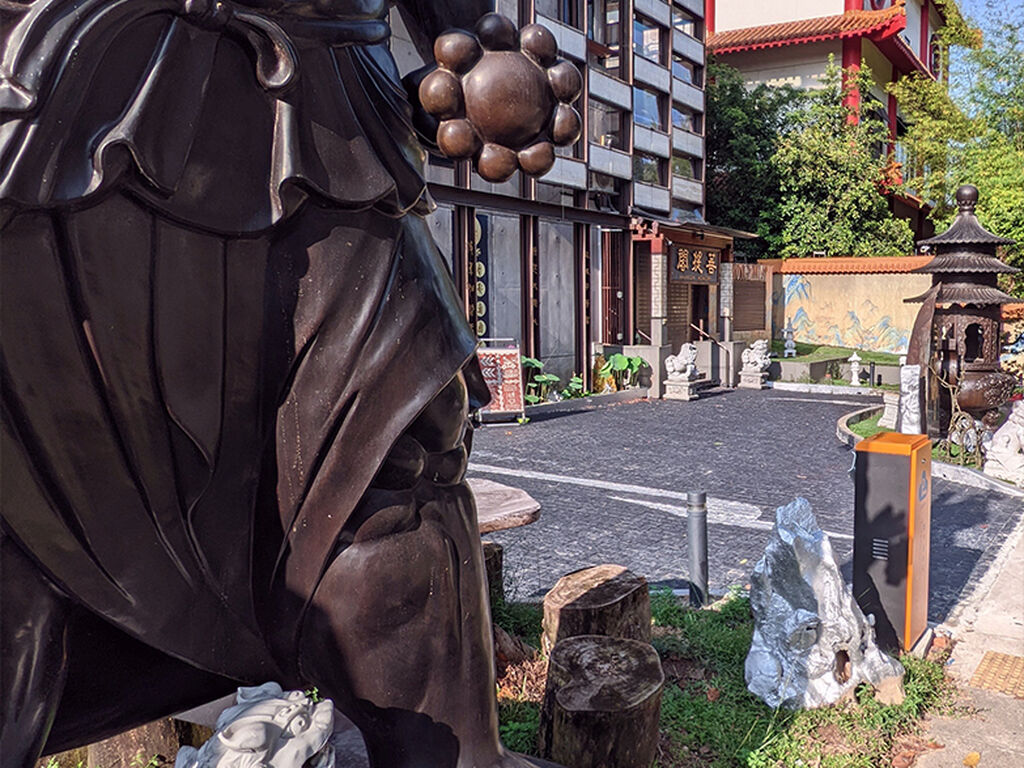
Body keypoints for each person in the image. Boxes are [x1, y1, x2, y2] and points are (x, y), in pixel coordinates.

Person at [1, 2, 547, 765]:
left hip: (332, 124)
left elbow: (462, 40)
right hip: (57, 108)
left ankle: (450, 754)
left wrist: (470, 48)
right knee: (24, 499)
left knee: (402, 443)